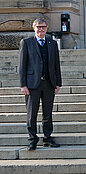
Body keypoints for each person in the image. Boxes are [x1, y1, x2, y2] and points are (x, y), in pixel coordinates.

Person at [19, 18, 62, 151]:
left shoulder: (52, 43)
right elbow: (22, 66)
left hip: (49, 83)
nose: (41, 29)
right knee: (32, 114)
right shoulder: (26, 43)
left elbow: (56, 65)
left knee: (47, 113)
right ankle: (32, 140)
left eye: (43, 27)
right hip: (33, 85)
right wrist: (23, 85)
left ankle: (47, 138)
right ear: (34, 28)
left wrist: (58, 83)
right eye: (38, 27)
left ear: (47, 28)